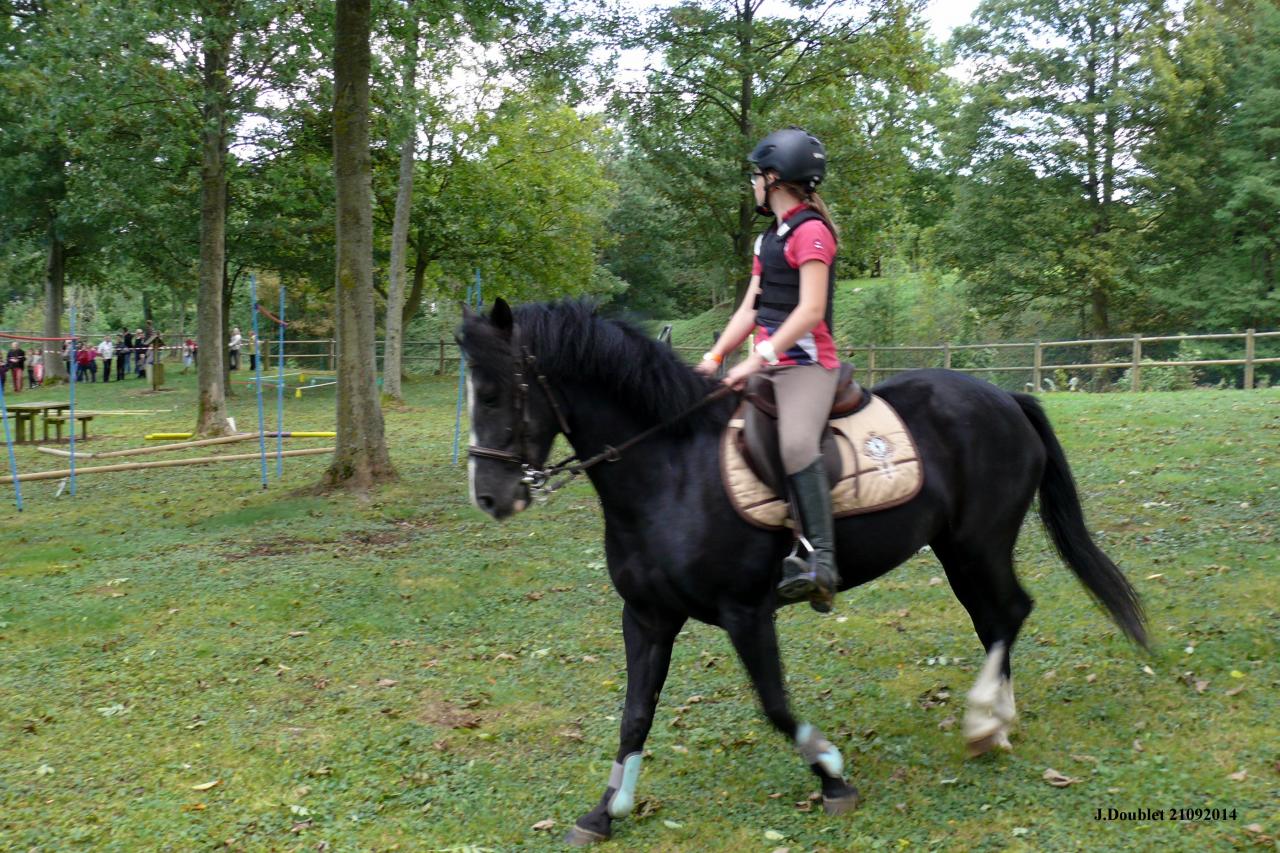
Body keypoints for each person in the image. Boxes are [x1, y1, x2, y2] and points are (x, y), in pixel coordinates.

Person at [696, 127, 842, 612]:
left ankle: (822, 560)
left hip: (805, 366)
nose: (754, 184)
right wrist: (715, 358)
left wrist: (758, 359)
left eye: (758, 176)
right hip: (768, 362)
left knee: (797, 442)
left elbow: (810, 311)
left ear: (774, 179)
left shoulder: (812, 233)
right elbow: (749, 310)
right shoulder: (767, 240)